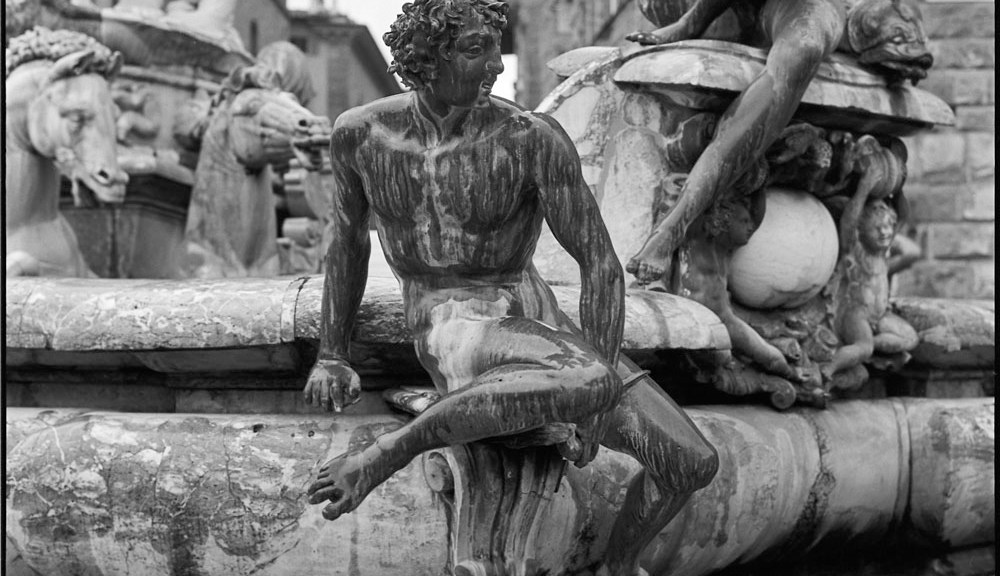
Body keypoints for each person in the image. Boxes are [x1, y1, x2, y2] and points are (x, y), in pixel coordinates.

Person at [302, 1, 719, 573]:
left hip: (541, 324)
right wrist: (331, 353)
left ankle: (615, 567)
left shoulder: (529, 138)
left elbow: (600, 265)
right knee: (589, 377)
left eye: (496, 46)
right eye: (476, 49)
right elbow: (347, 244)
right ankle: (380, 457)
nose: (496, 65)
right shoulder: (362, 136)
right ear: (426, 58)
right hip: (452, 325)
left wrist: (591, 407)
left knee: (691, 461)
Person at [624, 0, 933, 284]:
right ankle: (676, 221)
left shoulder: (828, 22)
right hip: (706, 9)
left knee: (804, 47)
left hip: (792, 11)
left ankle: (676, 221)